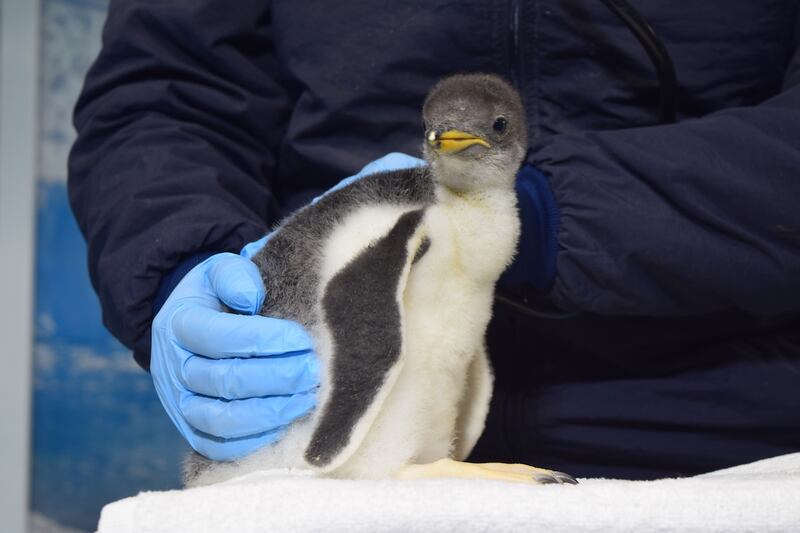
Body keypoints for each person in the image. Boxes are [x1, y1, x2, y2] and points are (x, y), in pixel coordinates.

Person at [68, 0, 800, 479]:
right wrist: (181, 266)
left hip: (722, 420)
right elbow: (168, 87)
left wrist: (541, 220)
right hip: (334, 437)